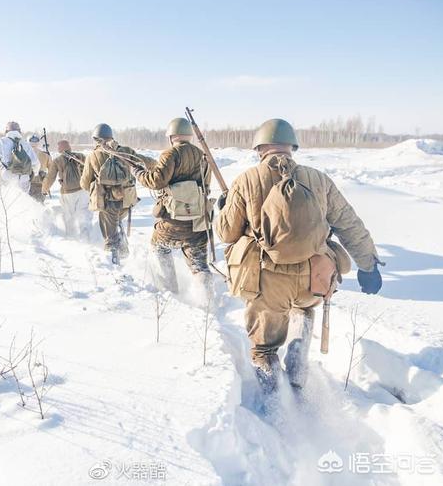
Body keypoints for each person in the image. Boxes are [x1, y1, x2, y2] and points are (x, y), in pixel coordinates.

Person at [216, 118, 383, 392]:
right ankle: (297, 365)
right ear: (291, 147)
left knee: (264, 350)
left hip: (267, 282)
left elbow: (227, 233)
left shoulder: (247, 179)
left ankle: (275, 406)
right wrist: (368, 265)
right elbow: (349, 224)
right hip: (313, 279)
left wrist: (224, 208)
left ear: (260, 149)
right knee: (303, 309)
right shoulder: (318, 179)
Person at [131, 117, 211, 293]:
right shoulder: (202, 155)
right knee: (199, 264)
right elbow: (207, 187)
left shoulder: (170, 154)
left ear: (171, 136)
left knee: (159, 248)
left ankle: (170, 291)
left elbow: (156, 181)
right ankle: (207, 298)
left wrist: (138, 172)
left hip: (172, 222)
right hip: (197, 222)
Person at [80, 123, 152, 264]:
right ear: (111, 136)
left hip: (107, 203)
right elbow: (146, 162)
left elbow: (84, 183)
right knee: (118, 222)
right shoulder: (126, 151)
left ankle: (115, 268)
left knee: (110, 238)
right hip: (127, 201)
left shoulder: (93, 156)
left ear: (96, 139)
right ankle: (123, 250)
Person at [42, 140, 92, 238]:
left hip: (68, 193)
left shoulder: (58, 160)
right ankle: (85, 235)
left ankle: (71, 237)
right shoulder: (81, 156)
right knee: (83, 213)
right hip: (83, 190)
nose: (57, 148)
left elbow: (50, 177)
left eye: (58, 146)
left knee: (69, 215)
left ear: (61, 148)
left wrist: (44, 189)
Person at [0, 121, 40, 193]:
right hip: (24, 178)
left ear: (6, 131)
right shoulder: (25, 143)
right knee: (23, 200)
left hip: (6, 175)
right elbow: (35, 163)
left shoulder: (1, 142)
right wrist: (32, 172)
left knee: (7, 200)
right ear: (19, 131)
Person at [27, 133, 51, 203]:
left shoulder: (24, 154)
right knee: (39, 205)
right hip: (39, 183)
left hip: (28, 183)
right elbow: (52, 170)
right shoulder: (45, 155)